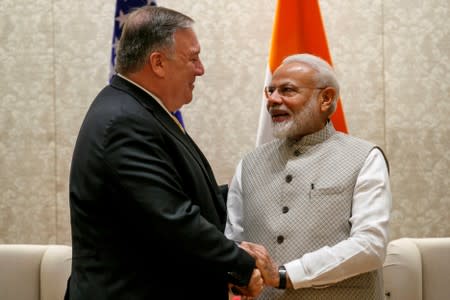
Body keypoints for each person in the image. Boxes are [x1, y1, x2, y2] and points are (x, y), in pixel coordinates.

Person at [65, 6, 263, 300]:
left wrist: (256, 190)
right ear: (158, 63)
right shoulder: (125, 121)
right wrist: (243, 266)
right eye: (193, 58)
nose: (201, 69)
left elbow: (183, 196)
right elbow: (171, 219)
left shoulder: (138, 110)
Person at [225, 53, 392, 299]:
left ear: (326, 99)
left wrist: (286, 275)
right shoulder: (249, 164)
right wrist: (237, 277)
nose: (272, 99)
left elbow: (370, 245)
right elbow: (234, 241)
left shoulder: (365, 158)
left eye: (287, 90)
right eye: (269, 91)